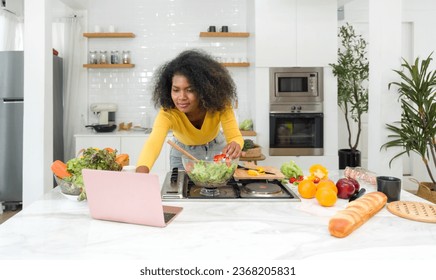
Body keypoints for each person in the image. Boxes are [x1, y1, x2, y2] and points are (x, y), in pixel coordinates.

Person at [136, 49, 244, 173]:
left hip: (216, 151)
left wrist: (236, 144)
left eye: (190, 90)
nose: (181, 97)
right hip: (182, 154)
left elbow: (235, 136)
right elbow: (153, 143)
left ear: (204, 90)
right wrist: (141, 174)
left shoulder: (220, 104)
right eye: (176, 90)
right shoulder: (168, 112)